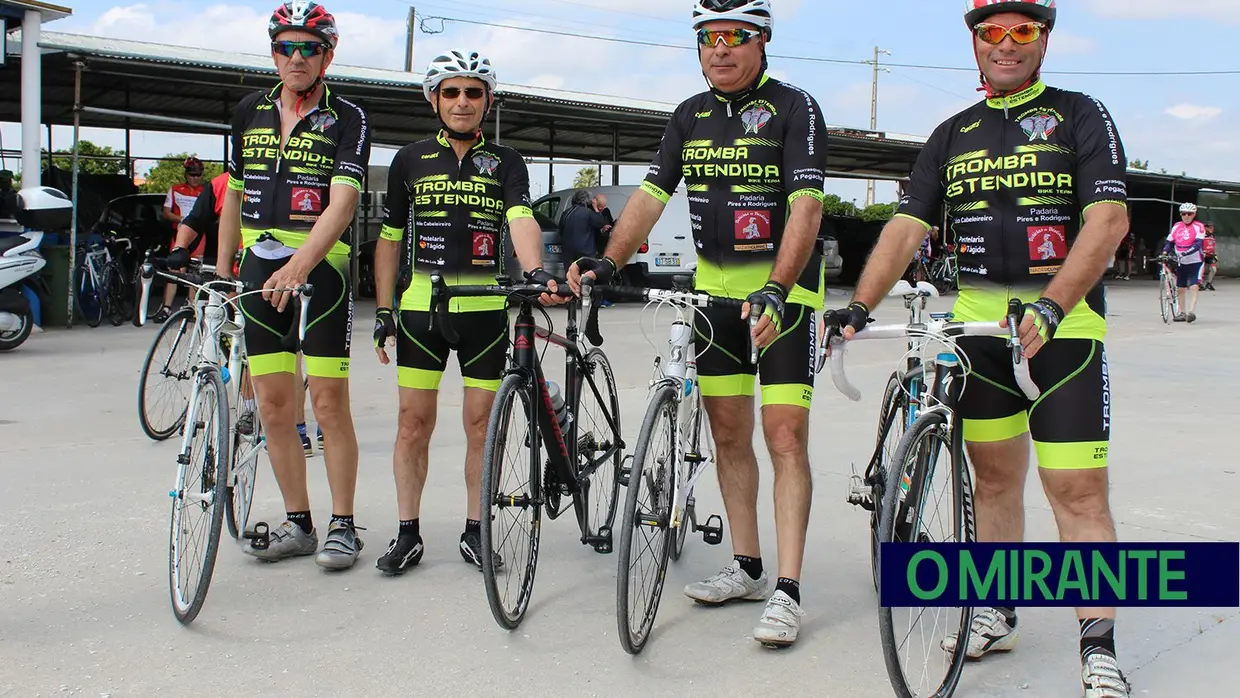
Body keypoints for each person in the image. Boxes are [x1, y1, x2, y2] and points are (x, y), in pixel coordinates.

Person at [827, 2, 1131, 696]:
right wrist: (858, 306)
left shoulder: (1080, 114)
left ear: (1044, 38)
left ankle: (1099, 647)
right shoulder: (951, 133)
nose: (1005, 43)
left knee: (1077, 494)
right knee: (993, 484)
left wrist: (1055, 303)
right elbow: (905, 228)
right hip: (978, 339)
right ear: (974, 41)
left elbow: (1109, 219)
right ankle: (998, 605)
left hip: (1064, 334)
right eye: (991, 31)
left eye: (1022, 30)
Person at [568, 0, 826, 648]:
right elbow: (651, 198)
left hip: (784, 298)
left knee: (785, 436)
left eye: (735, 36)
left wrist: (777, 287)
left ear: (762, 41)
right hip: (714, 296)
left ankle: (788, 591)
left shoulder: (795, 108)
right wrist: (606, 259)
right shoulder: (689, 116)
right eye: (708, 37)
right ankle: (745, 564)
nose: (720, 48)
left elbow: (807, 205)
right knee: (729, 436)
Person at [370, 49, 566, 575]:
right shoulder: (408, 160)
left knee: (481, 426)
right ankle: (407, 533)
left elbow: (521, 218)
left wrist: (536, 271)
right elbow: (389, 240)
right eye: (451, 91)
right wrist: (384, 308)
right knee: (413, 423)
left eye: (473, 92)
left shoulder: (506, 162)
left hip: (483, 309)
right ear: (433, 98)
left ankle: (475, 530)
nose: (462, 101)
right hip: (420, 312)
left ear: (488, 101)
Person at [216, 1, 370, 570]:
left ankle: (344, 526)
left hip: (321, 270)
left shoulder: (348, 116)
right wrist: (221, 268)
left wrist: (303, 263)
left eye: (309, 46)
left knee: (328, 404)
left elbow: (345, 200)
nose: (296, 56)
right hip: (260, 266)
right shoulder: (247, 111)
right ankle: (299, 520)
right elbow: (232, 192)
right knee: (275, 405)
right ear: (273, 51)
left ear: (328, 54)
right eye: (286, 46)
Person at [168, 172, 320, 456]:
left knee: (290, 358)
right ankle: (250, 410)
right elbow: (193, 220)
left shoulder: (290, 173)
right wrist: (180, 247)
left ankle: (299, 428)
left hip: (277, 279)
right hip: (233, 280)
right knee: (238, 352)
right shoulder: (222, 184)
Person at [154, 157, 206, 322]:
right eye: (192, 174)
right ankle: (166, 308)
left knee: (195, 272)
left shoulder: (205, 191)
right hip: (180, 235)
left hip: (198, 238)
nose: (196, 178)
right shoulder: (175, 189)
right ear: (186, 174)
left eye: (199, 175)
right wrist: (182, 218)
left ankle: (192, 308)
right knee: (175, 272)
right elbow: (166, 212)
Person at [1162, 202, 1206, 322]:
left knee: (1193, 286)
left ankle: (1191, 312)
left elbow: (1198, 244)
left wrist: (1185, 253)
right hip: (1180, 262)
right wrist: (1165, 253)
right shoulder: (1177, 226)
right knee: (1180, 288)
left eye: (1189, 214)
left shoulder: (1199, 226)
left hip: (1195, 261)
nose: (1186, 216)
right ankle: (1181, 312)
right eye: (1184, 214)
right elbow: (1169, 242)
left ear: (1194, 214)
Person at [1201, 222, 1218, 291]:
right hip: (1203, 254)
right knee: (1201, 270)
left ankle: (1209, 284)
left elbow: (1213, 246)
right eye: (1209, 227)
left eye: (1212, 227)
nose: (1211, 229)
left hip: (1210, 255)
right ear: (1205, 228)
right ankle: (1199, 284)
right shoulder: (1201, 235)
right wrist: (1202, 252)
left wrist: (1215, 254)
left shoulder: (1212, 236)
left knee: (1214, 269)